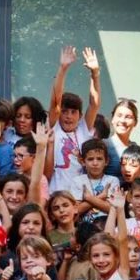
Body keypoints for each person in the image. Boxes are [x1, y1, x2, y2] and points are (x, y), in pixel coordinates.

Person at [46, 45, 102, 192]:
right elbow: (55, 100)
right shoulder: (54, 127)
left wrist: (95, 74)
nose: (69, 116)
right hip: (56, 194)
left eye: (73, 112)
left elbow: (94, 104)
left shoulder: (84, 128)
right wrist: (63, 68)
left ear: (80, 115)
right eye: (64, 111)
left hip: (81, 195)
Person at [104, 99, 140, 179]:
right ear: (112, 119)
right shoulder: (102, 146)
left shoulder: (136, 149)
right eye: (119, 115)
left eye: (128, 117)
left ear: (135, 122)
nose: (123, 120)